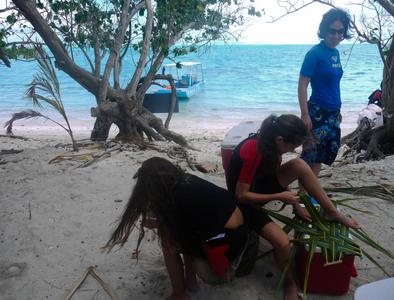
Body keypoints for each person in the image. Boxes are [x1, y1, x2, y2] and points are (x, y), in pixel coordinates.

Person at [227, 114, 360, 300]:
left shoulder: (273, 145)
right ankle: (290, 282)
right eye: (292, 146)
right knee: (282, 243)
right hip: (244, 205)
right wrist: (279, 196)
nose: (292, 150)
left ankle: (331, 212)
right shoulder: (254, 150)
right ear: (280, 139)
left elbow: (273, 177)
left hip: (260, 187)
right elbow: (240, 195)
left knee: (299, 164)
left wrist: (296, 205)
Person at [103, 157, 248, 300]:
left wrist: (158, 223)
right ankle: (190, 281)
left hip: (229, 250)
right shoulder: (184, 180)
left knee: (168, 241)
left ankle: (179, 294)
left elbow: (179, 230)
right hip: (237, 233)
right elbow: (190, 226)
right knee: (180, 230)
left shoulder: (177, 198)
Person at [298, 8, 352, 176]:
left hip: (332, 113)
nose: (336, 36)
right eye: (332, 31)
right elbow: (302, 85)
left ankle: (311, 193)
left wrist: (337, 110)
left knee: (321, 155)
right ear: (324, 30)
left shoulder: (335, 53)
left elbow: (332, 84)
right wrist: (305, 114)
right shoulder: (314, 54)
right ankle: (303, 193)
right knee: (310, 154)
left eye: (340, 31)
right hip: (317, 112)